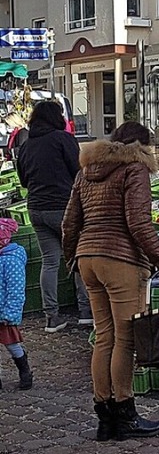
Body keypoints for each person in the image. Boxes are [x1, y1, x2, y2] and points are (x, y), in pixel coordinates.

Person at [62, 121, 159, 441]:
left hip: (89, 259)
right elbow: (138, 223)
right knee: (125, 340)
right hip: (120, 261)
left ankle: (105, 417)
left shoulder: (86, 170)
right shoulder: (135, 169)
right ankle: (126, 415)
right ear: (142, 146)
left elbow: (70, 222)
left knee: (104, 337)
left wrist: (73, 258)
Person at [16, 100, 92, 332]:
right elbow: (79, 172)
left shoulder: (27, 145)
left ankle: (52, 317)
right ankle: (86, 312)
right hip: (64, 208)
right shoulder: (63, 139)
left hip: (36, 209)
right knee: (78, 258)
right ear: (56, 117)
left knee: (49, 262)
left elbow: (23, 180)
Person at [0, 216, 33, 390]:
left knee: (12, 344)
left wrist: (10, 313)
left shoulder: (11, 261)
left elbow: (16, 290)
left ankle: (24, 370)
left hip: (3, 311)